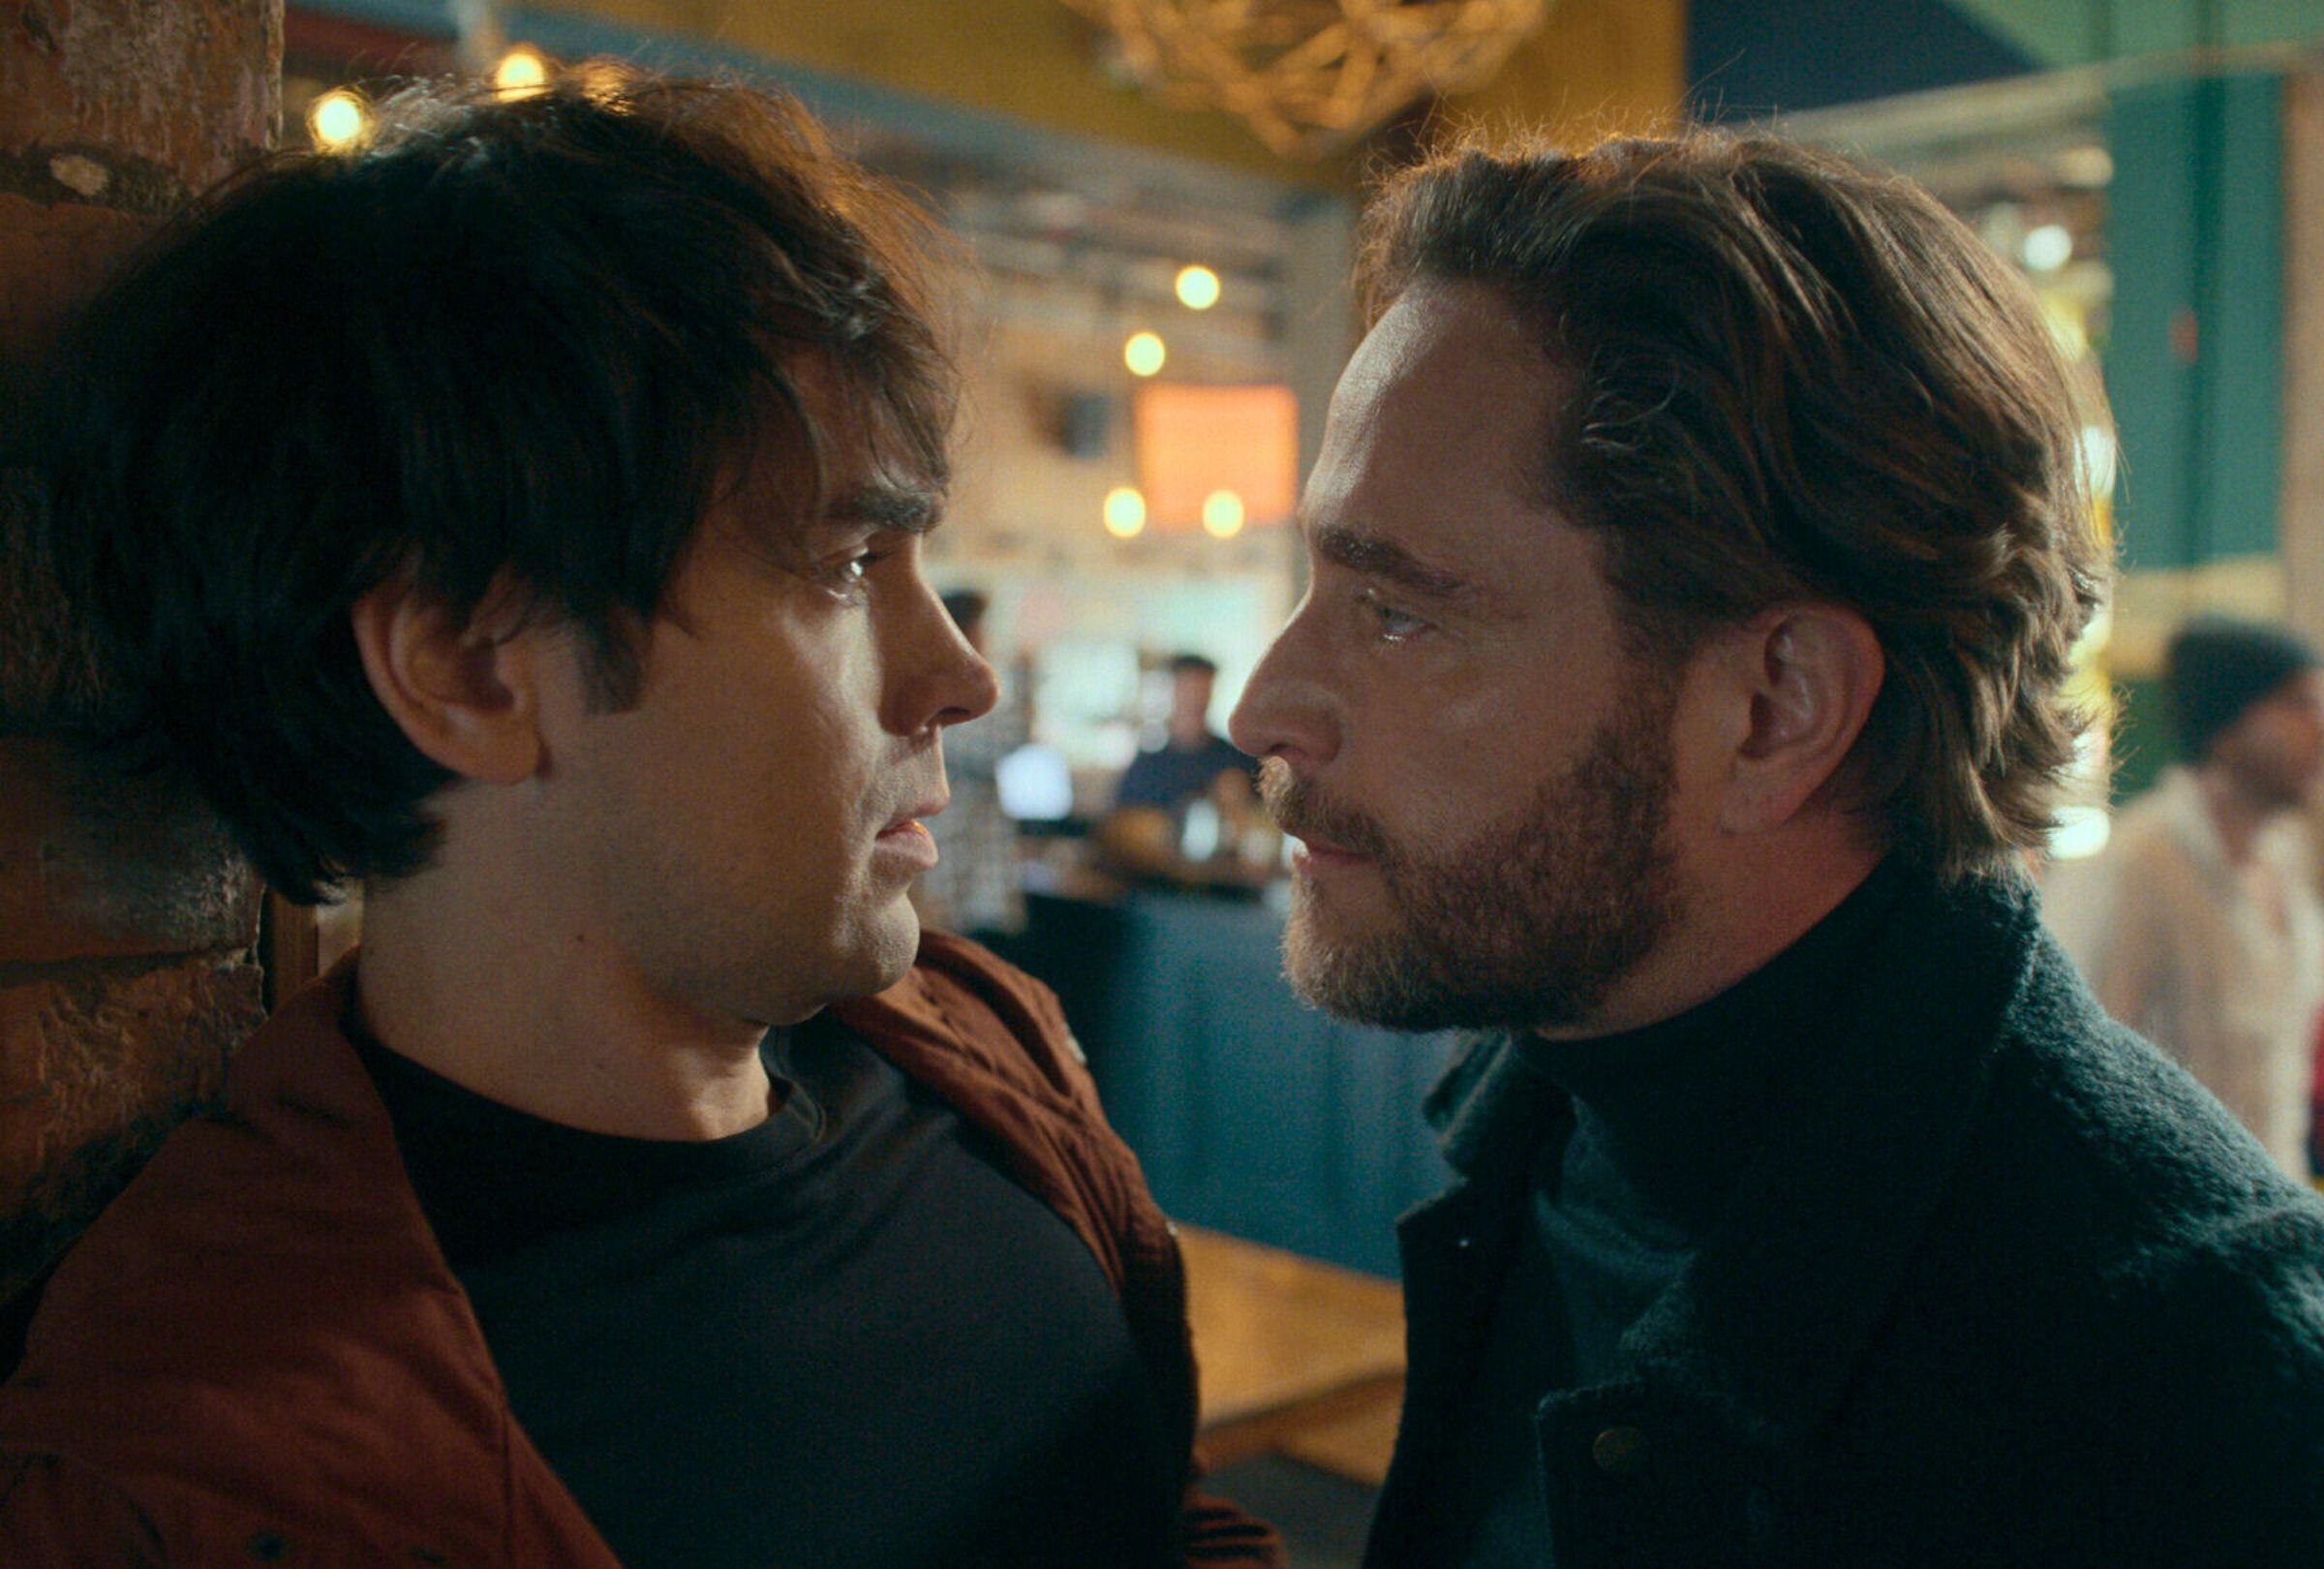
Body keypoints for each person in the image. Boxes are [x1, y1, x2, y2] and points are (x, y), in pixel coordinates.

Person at [0, 68, 1277, 1569]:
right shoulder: (202, 1476)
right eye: (845, 567)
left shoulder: (990, 1047)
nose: (962, 676)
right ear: (471, 669)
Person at [1229, 130, 2324, 1567]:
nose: (1263, 707)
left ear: (1774, 710)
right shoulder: (1553, 1104)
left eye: (1398, 613)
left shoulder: (2207, 1399)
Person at [2049, 616, 2324, 1179]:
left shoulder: (2283, 861)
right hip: (2169, 1211)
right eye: (2298, 704)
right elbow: (2075, 1069)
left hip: (2273, 1202)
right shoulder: (2137, 864)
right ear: (2227, 728)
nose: (2319, 728)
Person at [913, 589, 1031, 938]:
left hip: (962, 874)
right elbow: (1006, 738)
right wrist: (1025, 677)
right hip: (954, 875)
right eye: (981, 629)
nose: (987, 640)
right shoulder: (943, 703)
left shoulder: (944, 697)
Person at [1102, 654, 1269, 891]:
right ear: (1173, 691)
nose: (1196, 699)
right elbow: (1119, 832)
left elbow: (1265, 833)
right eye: (1188, 688)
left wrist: (1241, 809)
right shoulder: (1147, 766)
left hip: (1223, 892)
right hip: (1157, 890)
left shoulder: (1237, 762)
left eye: (1202, 689)